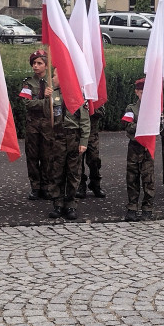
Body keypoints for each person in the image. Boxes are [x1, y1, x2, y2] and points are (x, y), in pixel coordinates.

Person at [48, 75, 90, 221]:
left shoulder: (77, 95)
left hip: (73, 137)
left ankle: (71, 204)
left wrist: (84, 141)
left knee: (73, 172)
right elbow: (46, 115)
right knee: (56, 171)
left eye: (55, 75)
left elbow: (84, 120)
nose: (52, 78)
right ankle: (57, 204)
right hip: (57, 137)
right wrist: (45, 99)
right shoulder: (52, 94)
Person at [19, 50, 54, 200]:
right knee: (32, 156)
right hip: (33, 124)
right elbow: (27, 103)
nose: (35, 66)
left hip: (47, 124)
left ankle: (46, 186)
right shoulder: (28, 83)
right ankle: (35, 186)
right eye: (34, 63)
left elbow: (57, 103)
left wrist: (49, 99)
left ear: (46, 65)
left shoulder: (52, 82)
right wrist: (45, 100)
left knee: (47, 156)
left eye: (39, 63)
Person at [122, 78, 155, 221]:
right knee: (132, 178)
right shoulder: (131, 108)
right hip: (134, 148)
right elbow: (128, 127)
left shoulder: (154, 108)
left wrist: (142, 124)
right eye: (142, 92)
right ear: (136, 92)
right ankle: (132, 207)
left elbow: (158, 127)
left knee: (148, 179)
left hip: (147, 148)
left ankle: (147, 207)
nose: (144, 95)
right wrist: (143, 124)